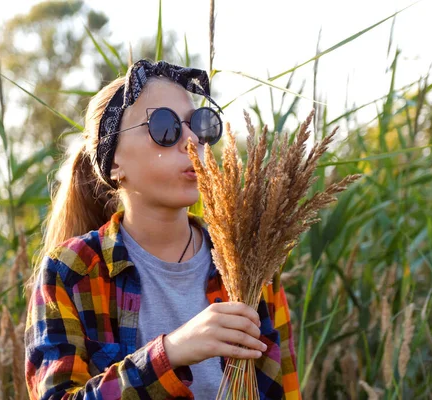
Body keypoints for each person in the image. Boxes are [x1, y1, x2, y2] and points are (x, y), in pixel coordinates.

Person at [24, 59, 300, 400]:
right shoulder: (71, 271)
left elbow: (285, 390)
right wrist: (169, 353)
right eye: (165, 126)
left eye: (199, 124)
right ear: (114, 163)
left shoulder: (252, 263)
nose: (191, 140)